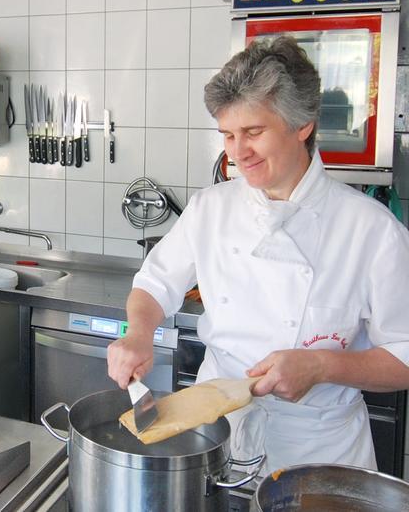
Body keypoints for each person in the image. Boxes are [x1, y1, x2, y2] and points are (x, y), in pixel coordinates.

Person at [107, 36, 409, 472]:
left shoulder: (371, 229)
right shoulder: (210, 207)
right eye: (227, 134)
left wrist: (322, 366)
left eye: (253, 132)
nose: (236, 152)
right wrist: (138, 333)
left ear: (302, 125)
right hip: (216, 430)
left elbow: (404, 355)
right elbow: (154, 284)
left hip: (317, 450)